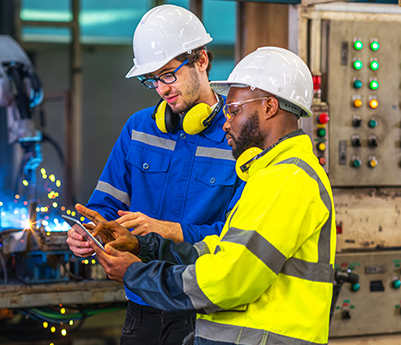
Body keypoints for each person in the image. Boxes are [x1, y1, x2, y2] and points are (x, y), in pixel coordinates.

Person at [77, 47, 337, 345]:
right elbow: (222, 250)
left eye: (235, 110)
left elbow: (227, 279)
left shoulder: (286, 180)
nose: (226, 123)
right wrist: (143, 245)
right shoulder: (269, 173)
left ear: (269, 107)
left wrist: (137, 273)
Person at [66, 5, 245, 345]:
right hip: (142, 309)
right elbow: (105, 205)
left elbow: (235, 239)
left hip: (202, 311)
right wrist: (90, 232)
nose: (162, 89)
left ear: (202, 60)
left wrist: (168, 230)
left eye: (168, 74)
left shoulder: (235, 139)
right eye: (152, 80)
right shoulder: (138, 129)